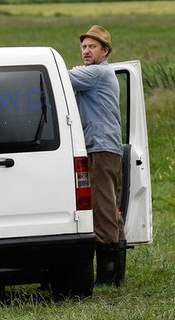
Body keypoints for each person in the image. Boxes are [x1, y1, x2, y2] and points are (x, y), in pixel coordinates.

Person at [69, 25, 126, 287]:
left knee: (102, 210)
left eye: (93, 47)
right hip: (108, 147)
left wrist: (76, 72)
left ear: (105, 51)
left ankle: (105, 277)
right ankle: (117, 276)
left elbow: (60, 79)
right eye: (84, 47)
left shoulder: (97, 73)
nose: (86, 51)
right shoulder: (99, 73)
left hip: (100, 148)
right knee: (112, 210)